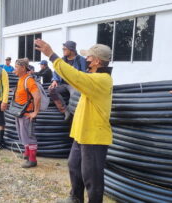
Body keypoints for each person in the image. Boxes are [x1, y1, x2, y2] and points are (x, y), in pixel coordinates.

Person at [35, 39, 113, 203]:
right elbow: (75, 77)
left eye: (89, 57)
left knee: (92, 177)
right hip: (82, 134)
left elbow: (74, 76)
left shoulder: (102, 80)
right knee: (74, 166)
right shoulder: (93, 77)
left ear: (98, 61)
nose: (86, 59)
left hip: (94, 137)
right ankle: (76, 198)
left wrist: (51, 55)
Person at [13, 58, 41, 168]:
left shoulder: (28, 80)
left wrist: (35, 112)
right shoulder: (21, 79)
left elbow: (37, 96)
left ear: (23, 68)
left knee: (29, 136)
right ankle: (27, 154)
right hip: (20, 113)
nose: (14, 69)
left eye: (16, 67)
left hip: (27, 114)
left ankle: (32, 160)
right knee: (22, 135)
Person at [48, 41, 87, 119]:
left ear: (71, 49)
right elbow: (56, 71)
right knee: (51, 90)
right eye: (63, 49)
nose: (63, 50)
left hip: (74, 85)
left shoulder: (81, 60)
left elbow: (85, 73)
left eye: (65, 49)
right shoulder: (62, 60)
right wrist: (55, 80)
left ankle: (74, 116)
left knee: (74, 96)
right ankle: (65, 111)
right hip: (63, 84)